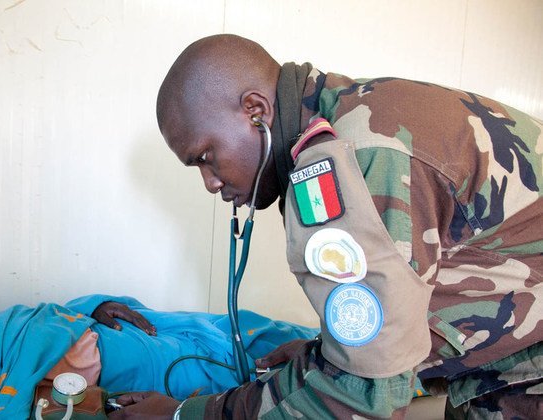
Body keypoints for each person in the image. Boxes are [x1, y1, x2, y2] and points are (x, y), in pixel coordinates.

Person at [110, 34, 543, 419]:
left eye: (205, 157)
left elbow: (362, 397)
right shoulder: (344, 117)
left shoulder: (355, 160)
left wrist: (187, 413)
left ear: (255, 110)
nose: (209, 182)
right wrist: (325, 353)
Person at [0, 294, 318, 419]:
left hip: (175, 335)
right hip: (176, 384)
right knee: (307, 385)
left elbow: (31, 322)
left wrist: (93, 308)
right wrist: (66, 385)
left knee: (293, 339)